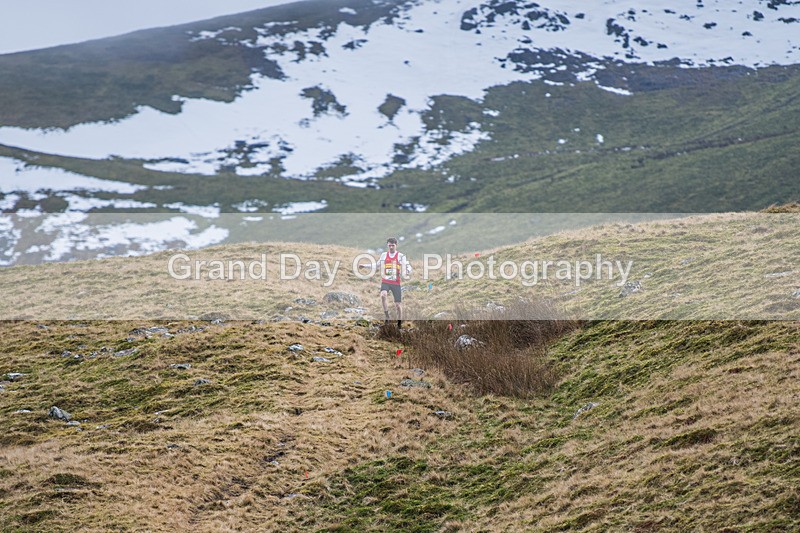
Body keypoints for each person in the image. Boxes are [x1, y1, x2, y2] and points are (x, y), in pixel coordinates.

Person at [362, 237, 412, 327]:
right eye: (389, 245)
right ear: (387, 245)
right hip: (386, 281)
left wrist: (408, 270)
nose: (391, 247)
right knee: (383, 295)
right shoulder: (384, 255)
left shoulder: (401, 256)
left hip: (396, 283)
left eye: (393, 245)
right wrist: (365, 266)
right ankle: (387, 315)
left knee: (397, 305)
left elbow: (408, 266)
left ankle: (399, 322)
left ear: (396, 245)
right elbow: (377, 265)